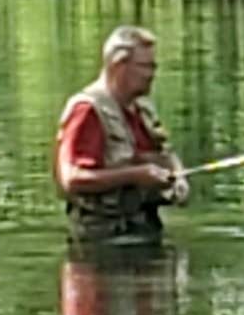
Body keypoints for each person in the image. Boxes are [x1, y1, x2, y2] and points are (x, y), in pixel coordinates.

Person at [55, 24, 190, 238]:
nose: (151, 74)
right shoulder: (87, 110)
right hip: (101, 241)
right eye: (145, 66)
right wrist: (136, 176)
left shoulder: (142, 110)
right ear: (118, 65)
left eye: (153, 67)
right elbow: (72, 179)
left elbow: (159, 154)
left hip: (145, 229)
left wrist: (178, 175)